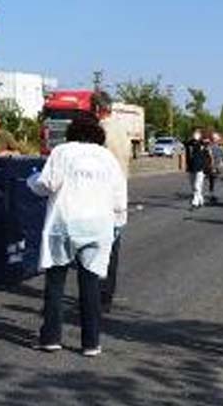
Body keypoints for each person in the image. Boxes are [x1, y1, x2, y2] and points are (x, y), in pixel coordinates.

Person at [28, 114, 127, 357]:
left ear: (72, 131)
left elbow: (47, 184)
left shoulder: (62, 152)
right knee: (90, 284)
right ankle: (91, 342)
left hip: (64, 222)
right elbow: (119, 198)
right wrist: (117, 225)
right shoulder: (108, 158)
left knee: (56, 281)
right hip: (98, 226)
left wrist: (31, 181)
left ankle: (51, 337)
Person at [93, 91, 129, 313]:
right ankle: (106, 294)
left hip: (101, 193)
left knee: (97, 248)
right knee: (113, 247)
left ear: (97, 109)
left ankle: (95, 295)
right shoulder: (120, 129)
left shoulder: (101, 131)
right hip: (119, 191)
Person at [184, 129, 212, 209]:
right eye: (194, 134)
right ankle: (200, 199)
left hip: (200, 168)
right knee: (193, 185)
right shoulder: (189, 143)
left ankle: (195, 202)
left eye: (197, 134)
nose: (195, 135)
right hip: (191, 167)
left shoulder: (202, 144)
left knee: (197, 185)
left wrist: (202, 141)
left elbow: (207, 143)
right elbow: (184, 142)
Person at [208, 132, 223, 205]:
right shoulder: (217, 148)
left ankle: (212, 194)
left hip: (211, 167)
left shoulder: (209, 147)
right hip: (215, 166)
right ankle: (213, 195)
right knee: (214, 181)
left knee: (212, 181)